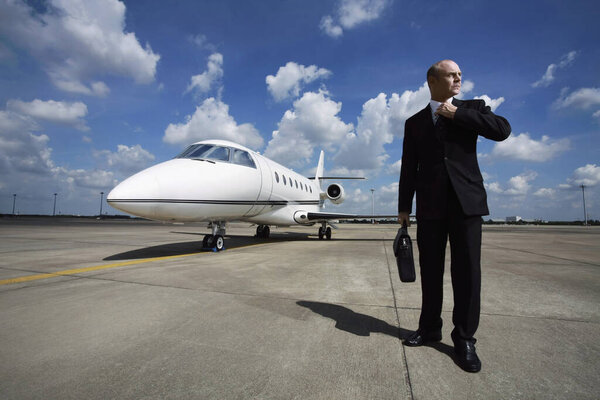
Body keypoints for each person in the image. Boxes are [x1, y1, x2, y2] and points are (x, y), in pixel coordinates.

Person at [397, 60, 511, 373]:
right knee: (430, 270)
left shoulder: (473, 108)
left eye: (460, 74)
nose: (458, 77)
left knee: (467, 272)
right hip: (430, 207)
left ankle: (464, 338)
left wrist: (457, 114)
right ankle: (430, 326)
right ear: (433, 80)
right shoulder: (415, 122)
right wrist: (404, 208)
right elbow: (409, 167)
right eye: (451, 74)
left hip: (467, 204)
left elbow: (503, 130)